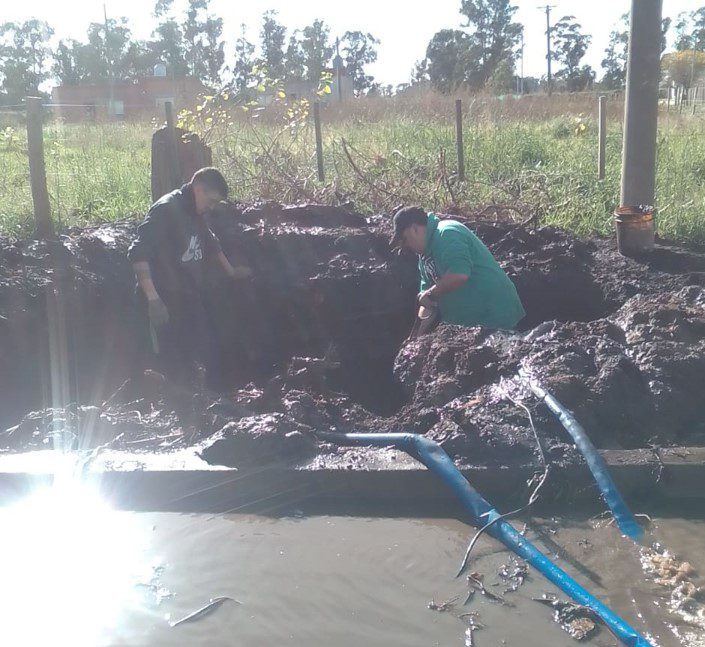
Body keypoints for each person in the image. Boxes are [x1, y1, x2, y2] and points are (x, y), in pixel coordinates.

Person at [127, 167, 251, 387]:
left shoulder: (197, 212)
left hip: (187, 294)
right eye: (211, 201)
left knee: (199, 350)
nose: (211, 208)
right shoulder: (165, 210)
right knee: (167, 361)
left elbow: (210, 241)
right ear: (198, 189)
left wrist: (231, 271)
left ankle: (198, 398)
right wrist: (153, 300)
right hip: (162, 298)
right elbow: (139, 253)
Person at [390, 206, 525, 334]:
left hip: (494, 317)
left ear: (414, 229)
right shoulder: (424, 257)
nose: (406, 246)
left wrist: (431, 294)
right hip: (468, 327)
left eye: (405, 239)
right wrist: (416, 338)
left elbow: (459, 275)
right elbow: (427, 301)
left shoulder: (447, 234)